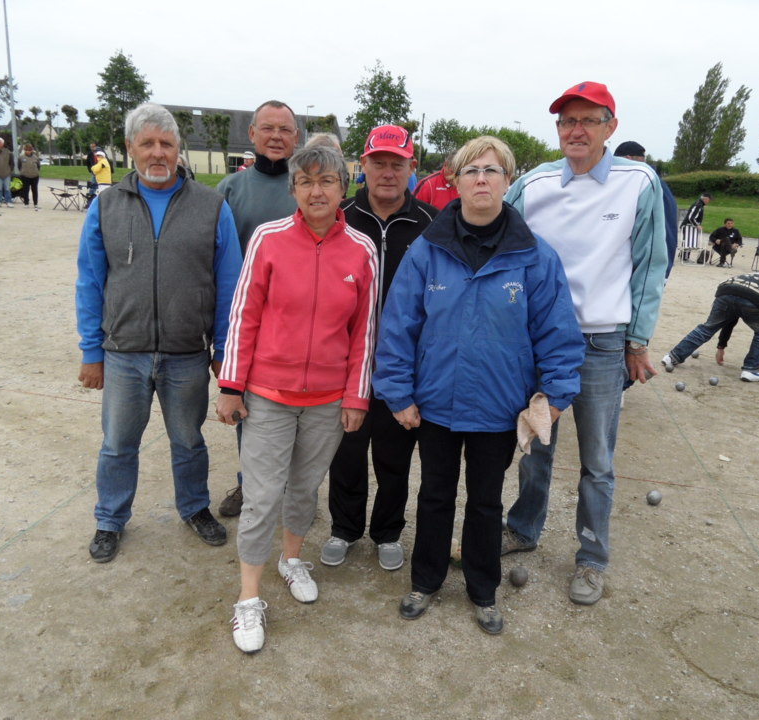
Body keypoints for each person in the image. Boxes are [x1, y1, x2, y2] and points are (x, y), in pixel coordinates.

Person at [372, 136, 584, 634]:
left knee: (486, 501)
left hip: (499, 407)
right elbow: (399, 324)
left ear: (509, 182)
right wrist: (398, 393)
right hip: (436, 405)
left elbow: (557, 330)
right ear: (455, 181)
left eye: (493, 170)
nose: (482, 179)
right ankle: (425, 581)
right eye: (472, 171)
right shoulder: (427, 250)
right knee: (435, 495)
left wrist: (554, 396)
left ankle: (483, 588)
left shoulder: (536, 256)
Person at [501, 81, 667, 606]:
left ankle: (592, 557)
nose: (576, 130)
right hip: (539, 342)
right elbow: (501, 244)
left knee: (597, 460)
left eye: (588, 120)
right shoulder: (532, 185)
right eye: (567, 121)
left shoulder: (638, 181)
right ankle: (524, 529)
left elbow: (650, 268)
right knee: (536, 445)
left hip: (601, 343)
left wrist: (638, 341)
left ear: (610, 128)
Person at [215, 144, 378, 654]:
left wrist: (356, 396)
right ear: (293, 189)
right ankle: (248, 598)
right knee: (262, 495)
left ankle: (291, 559)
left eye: (326, 181)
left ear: (343, 187)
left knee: (304, 489)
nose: (316, 190)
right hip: (268, 394)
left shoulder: (362, 250)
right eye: (305, 181)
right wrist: (231, 385)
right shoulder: (267, 240)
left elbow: (363, 333)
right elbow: (245, 315)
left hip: (330, 400)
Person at [75, 102, 243, 564]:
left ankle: (194, 508)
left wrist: (224, 352)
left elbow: (230, 286)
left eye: (166, 144)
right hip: (122, 353)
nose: (157, 153)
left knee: (189, 440)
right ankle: (110, 518)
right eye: (146, 143)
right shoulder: (106, 205)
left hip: (187, 353)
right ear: (129, 149)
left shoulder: (212, 207)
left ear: (178, 150)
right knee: (117, 444)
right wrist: (91, 350)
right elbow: (90, 281)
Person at [321, 125, 437, 573]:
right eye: (378, 163)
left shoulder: (431, 225)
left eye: (397, 164)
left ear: (412, 168)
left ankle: (387, 530)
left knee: (394, 458)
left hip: (404, 367)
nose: (387, 172)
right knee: (346, 453)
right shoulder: (338, 216)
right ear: (362, 166)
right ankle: (344, 527)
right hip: (345, 361)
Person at [215, 100, 300, 518]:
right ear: (251, 135)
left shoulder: (306, 187)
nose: (276, 136)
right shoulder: (230, 189)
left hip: (297, 325)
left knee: (296, 415)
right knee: (247, 411)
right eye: (267, 128)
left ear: (295, 137)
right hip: (247, 323)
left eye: (284, 129)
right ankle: (249, 486)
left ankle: (294, 492)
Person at [662, 273, 759, 382]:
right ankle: (751, 370)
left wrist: (721, 347)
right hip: (756, 298)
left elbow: (731, 317)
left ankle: (672, 357)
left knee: (708, 327)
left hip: (727, 290)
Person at [613, 141, 677, 278]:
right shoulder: (651, 181)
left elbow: (663, 231)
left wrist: (660, 274)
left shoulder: (648, 184)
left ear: (628, 159)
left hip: (647, 269)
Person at [679, 192, 711, 261]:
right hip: (688, 226)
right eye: (709, 200)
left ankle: (684, 256)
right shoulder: (698, 205)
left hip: (689, 226)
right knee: (689, 241)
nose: (709, 202)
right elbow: (691, 217)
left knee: (688, 241)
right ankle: (685, 257)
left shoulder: (699, 204)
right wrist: (697, 225)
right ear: (706, 199)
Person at [0, 137, 15, 207]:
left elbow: (12, 163)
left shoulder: (8, 152)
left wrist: (10, 170)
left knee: (7, 188)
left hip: (7, 174)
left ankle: (8, 201)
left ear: (2, 143)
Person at [18, 144, 41, 208]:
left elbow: (38, 166)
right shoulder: (21, 157)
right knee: (26, 190)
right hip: (25, 176)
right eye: (27, 150)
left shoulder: (35, 157)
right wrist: (22, 172)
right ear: (25, 150)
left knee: (34, 190)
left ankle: (35, 203)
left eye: (30, 150)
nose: (28, 151)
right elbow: (19, 166)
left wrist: (36, 172)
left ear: (32, 150)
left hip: (34, 176)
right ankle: (26, 203)